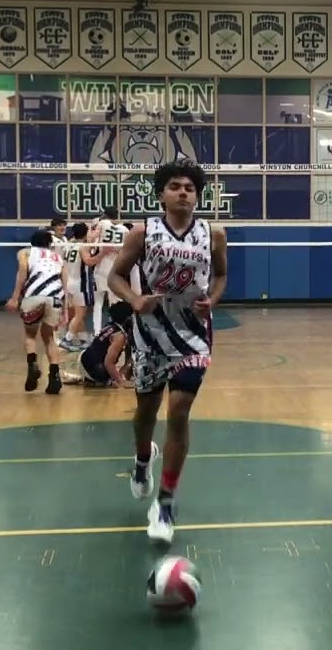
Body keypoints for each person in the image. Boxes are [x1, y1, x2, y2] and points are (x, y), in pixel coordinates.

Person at [107, 159, 228, 545]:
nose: (182, 192)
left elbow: (221, 275)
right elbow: (115, 276)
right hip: (150, 334)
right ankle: (143, 459)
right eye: (175, 186)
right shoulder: (142, 233)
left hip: (193, 335)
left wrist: (214, 299)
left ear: (198, 195)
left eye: (189, 187)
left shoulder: (214, 234)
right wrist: (135, 299)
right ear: (161, 194)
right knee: (146, 412)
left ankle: (166, 503)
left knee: (179, 411)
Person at [5, 230, 67, 394]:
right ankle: (54, 377)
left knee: (30, 335)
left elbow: (22, 273)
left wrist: (14, 297)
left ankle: (32, 364)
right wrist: (65, 309)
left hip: (33, 297)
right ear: (49, 243)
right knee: (49, 338)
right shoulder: (58, 257)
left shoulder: (25, 252)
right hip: (55, 298)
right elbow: (65, 283)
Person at [70, 300, 135, 388]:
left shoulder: (110, 325)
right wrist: (120, 381)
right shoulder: (120, 336)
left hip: (84, 357)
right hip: (95, 367)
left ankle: (86, 379)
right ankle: (99, 380)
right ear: (128, 318)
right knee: (109, 374)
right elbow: (108, 362)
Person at [59, 222, 100, 352]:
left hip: (70, 282)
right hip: (80, 284)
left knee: (78, 314)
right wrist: (103, 253)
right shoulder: (82, 247)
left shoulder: (69, 245)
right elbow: (89, 261)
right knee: (80, 314)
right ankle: (67, 339)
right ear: (85, 233)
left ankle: (83, 338)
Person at [92, 208, 128, 333]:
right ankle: (116, 329)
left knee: (98, 303)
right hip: (115, 269)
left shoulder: (102, 223)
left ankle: (97, 332)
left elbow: (92, 238)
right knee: (115, 302)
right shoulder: (124, 229)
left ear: (105, 215)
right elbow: (127, 249)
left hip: (101, 267)